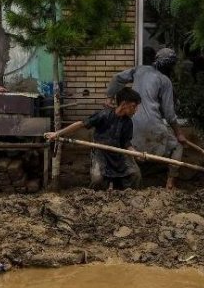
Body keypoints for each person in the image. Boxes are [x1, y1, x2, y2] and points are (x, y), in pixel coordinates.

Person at [105, 47, 186, 190]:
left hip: (131, 125)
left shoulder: (139, 70)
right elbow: (169, 114)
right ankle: (170, 182)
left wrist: (110, 97)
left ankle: (119, 178)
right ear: (170, 66)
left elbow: (117, 78)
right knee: (177, 146)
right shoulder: (165, 81)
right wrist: (179, 134)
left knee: (124, 146)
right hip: (154, 127)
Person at [45, 87, 142, 190]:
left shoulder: (128, 123)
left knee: (135, 175)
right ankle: (96, 201)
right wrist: (57, 134)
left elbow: (126, 143)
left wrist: (136, 154)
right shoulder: (104, 115)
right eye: (134, 106)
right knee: (97, 179)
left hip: (119, 155)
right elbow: (80, 124)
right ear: (124, 104)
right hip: (101, 154)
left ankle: (123, 198)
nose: (136, 110)